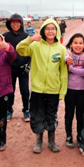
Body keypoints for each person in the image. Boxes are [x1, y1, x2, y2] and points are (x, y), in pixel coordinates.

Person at [16, 19, 68, 154]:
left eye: (53, 28)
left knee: (51, 115)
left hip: (53, 89)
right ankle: (39, 141)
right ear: (43, 31)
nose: (50, 31)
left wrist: (62, 91)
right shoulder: (35, 45)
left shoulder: (61, 49)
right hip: (38, 89)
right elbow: (19, 49)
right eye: (47, 28)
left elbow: (63, 72)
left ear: (57, 31)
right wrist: (30, 39)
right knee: (37, 115)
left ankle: (51, 141)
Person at [3, 13, 31, 122]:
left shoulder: (26, 36)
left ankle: (27, 110)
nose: (15, 25)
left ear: (21, 23)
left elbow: (30, 52)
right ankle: (8, 110)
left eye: (17, 22)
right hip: (10, 69)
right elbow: (1, 52)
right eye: (13, 22)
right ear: (9, 24)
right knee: (10, 91)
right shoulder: (5, 36)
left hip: (23, 69)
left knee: (25, 91)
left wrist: (28, 65)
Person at [64, 33, 84, 148]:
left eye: (80, 43)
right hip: (69, 91)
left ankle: (79, 136)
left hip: (83, 91)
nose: (78, 45)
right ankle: (68, 136)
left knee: (80, 115)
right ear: (71, 45)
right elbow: (64, 60)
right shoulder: (68, 56)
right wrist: (66, 61)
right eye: (75, 43)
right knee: (69, 115)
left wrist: (71, 68)